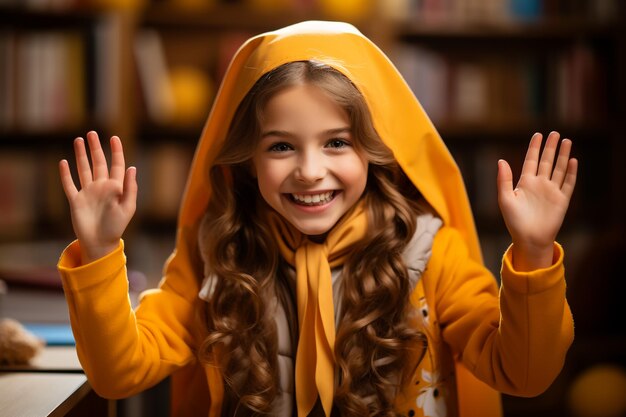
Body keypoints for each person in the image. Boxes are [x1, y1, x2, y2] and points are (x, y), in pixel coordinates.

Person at [57, 21, 578, 417]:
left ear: (375, 152)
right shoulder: (213, 254)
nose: (310, 172)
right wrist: (101, 253)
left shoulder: (432, 253)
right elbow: (118, 374)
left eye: (336, 143)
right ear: (246, 160)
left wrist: (532, 253)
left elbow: (525, 374)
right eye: (281, 146)